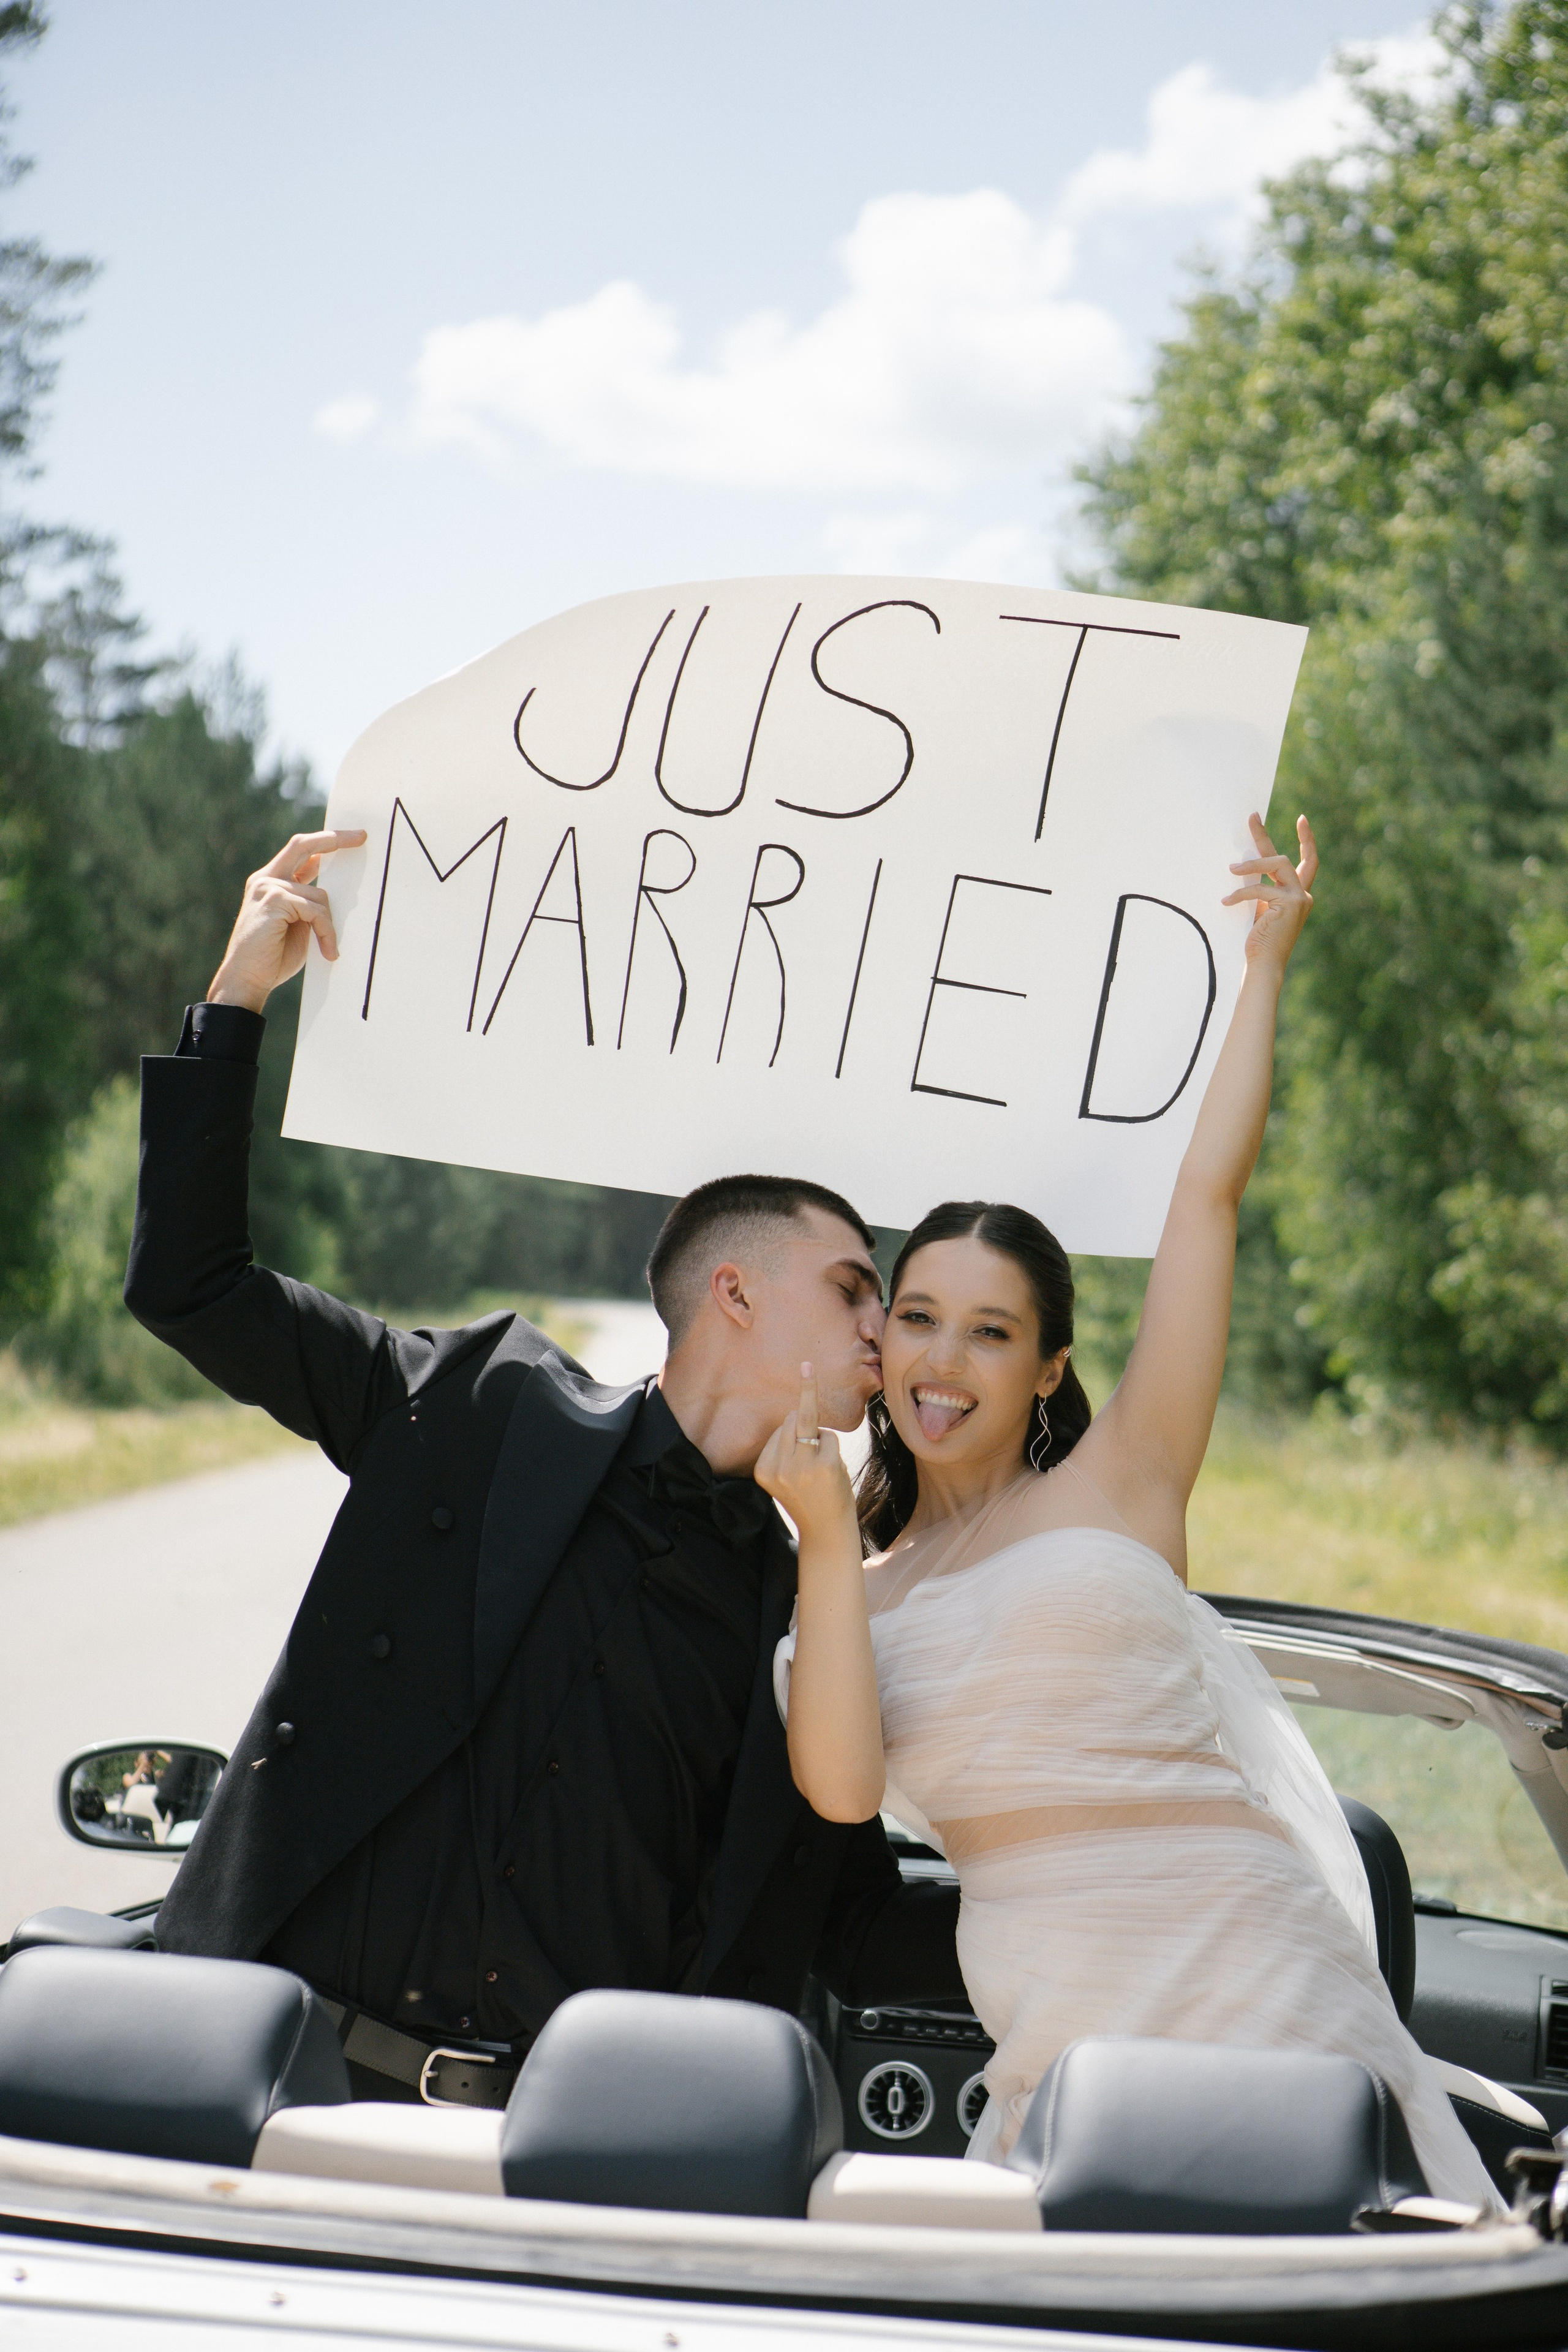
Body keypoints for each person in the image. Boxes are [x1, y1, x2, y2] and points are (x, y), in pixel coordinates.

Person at [126, 829, 963, 2105]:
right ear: (733, 1291)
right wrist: (236, 998)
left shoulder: (813, 1612)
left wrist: (1110, 1899)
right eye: (856, 1287)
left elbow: (845, 1920)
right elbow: (192, 1287)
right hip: (281, 2097)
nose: (879, 1331)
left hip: (567, 2171)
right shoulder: (474, 1406)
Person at [761, 814, 1500, 2209]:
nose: (941, 1359)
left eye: (989, 1333)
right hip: (1060, 2041)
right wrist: (815, 1534)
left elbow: (1203, 1198)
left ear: (1046, 1366)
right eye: (916, 1319)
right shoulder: (850, 1586)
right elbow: (844, 1791)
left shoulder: (1123, 1479)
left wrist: (1265, 963)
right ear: (880, 1347)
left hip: (1259, 1974)